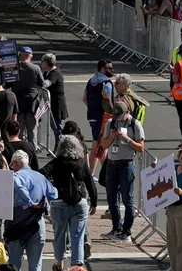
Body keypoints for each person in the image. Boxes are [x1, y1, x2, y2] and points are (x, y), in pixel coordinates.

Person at [41, 135, 94, 271]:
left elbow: (42, 174)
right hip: (79, 202)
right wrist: (94, 202)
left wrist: (51, 187)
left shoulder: (57, 162)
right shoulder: (82, 162)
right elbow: (90, 182)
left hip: (59, 202)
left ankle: (59, 262)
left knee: (59, 234)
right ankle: (77, 265)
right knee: (78, 236)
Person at [97, 97, 144, 240]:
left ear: (127, 112)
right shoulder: (111, 123)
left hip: (127, 164)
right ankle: (116, 228)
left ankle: (127, 231)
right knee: (111, 197)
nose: (118, 119)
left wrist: (127, 139)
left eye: (120, 116)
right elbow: (103, 145)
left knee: (127, 198)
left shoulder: (134, 124)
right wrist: (112, 137)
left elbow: (141, 147)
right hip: (112, 164)